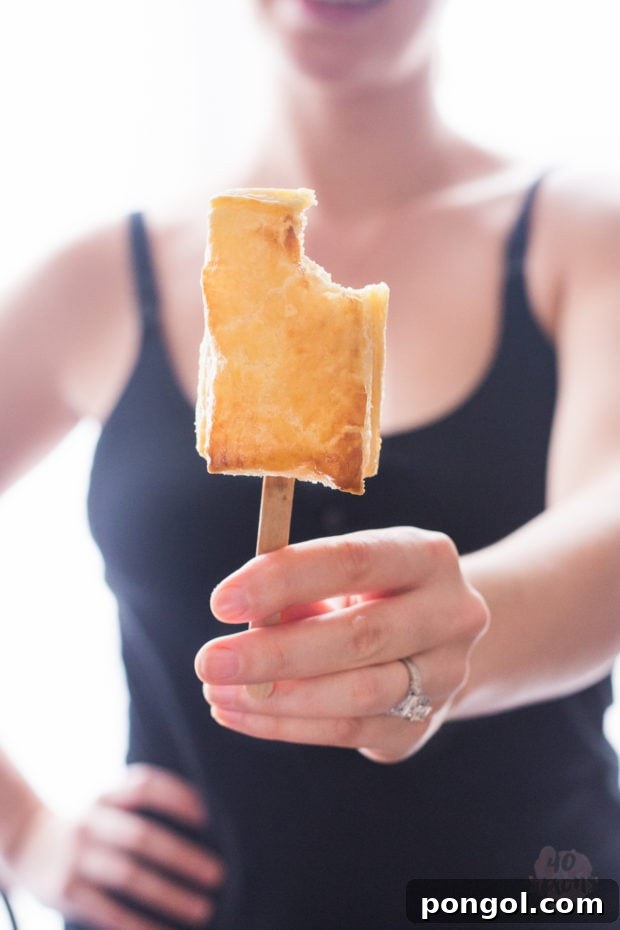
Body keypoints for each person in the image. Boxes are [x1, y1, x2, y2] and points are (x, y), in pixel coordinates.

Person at [1, 0, 620, 927]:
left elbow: (608, 521)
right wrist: (25, 831)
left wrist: (463, 629)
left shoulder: (585, 236)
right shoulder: (93, 278)